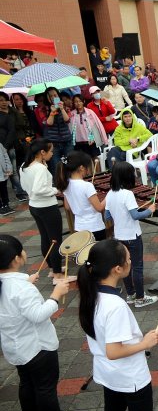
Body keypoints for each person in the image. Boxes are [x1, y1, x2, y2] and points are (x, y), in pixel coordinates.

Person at [76, 239, 158, 411]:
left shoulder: (91, 293)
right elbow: (114, 351)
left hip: (107, 373)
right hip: (129, 375)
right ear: (117, 269)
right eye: (128, 259)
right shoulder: (115, 306)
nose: (130, 261)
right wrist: (145, 343)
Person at [0, 235, 85, 411]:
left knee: (27, 383)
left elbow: (12, 300)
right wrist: (56, 295)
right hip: (37, 348)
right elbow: (38, 315)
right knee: (45, 388)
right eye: (21, 250)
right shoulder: (21, 288)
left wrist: (26, 282)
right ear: (16, 259)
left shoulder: (12, 285)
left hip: (15, 347)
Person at [104, 162, 158, 307]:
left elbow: (107, 216)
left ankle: (131, 294)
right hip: (132, 237)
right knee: (137, 267)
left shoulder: (110, 193)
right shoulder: (128, 194)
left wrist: (120, 214)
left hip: (119, 237)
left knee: (124, 265)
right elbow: (135, 215)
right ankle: (140, 299)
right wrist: (150, 210)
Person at [19, 141, 66, 280]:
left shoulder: (24, 165)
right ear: (42, 152)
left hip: (34, 206)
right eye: (50, 151)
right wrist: (55, 190)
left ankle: (53, 268)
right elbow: (38, 189)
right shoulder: (39, 168)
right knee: (55, 240)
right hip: (47, 207)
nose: (52, 153)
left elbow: (25, 187)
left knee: (46, 238)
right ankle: (57, 274)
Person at [56, 152, 107, 242]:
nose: (89, 169)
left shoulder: (66, 184)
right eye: (88, 167)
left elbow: (67, 207)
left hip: (79, 228)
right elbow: (99, 208)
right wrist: (109, 196)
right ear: (82, 168)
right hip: (94, 227)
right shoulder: (87, 186)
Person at [36, 87, 72, 174]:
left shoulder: (64, 107)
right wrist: (52, 113)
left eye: (55, 95)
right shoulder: (42, 109)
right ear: (47, 98)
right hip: (53, 144)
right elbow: (48, 123)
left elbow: (67, 120)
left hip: (66, 141)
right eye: (50, 96)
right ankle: (59, 182)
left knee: (69, 165)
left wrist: (62, 109)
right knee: (56, 167)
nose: (53, 97)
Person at [70, 95, 108, 159]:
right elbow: (70, 128)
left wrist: (94, 138)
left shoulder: (89, 112)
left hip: (90, 140)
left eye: (80, 101)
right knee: (82, 160)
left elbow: (96, 126)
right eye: (76, 101)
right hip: (78, 143)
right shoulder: (72, 114)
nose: (78, 103)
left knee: (95, 158)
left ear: (83, 101)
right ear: (73, 103)